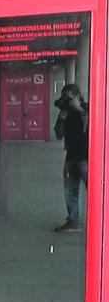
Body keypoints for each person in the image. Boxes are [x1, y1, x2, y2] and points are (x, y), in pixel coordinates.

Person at [53, 83, 88, 233]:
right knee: (70, 191)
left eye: (69, 98)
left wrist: (79, 109)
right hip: (71, 157)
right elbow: (59, 135)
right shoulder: (65, 112)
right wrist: (61, 118)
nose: (67, 102)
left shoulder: (88, 109)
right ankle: (74, 220)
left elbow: (96, 126)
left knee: (94, 190)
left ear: (77, 96)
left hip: (87, 158)